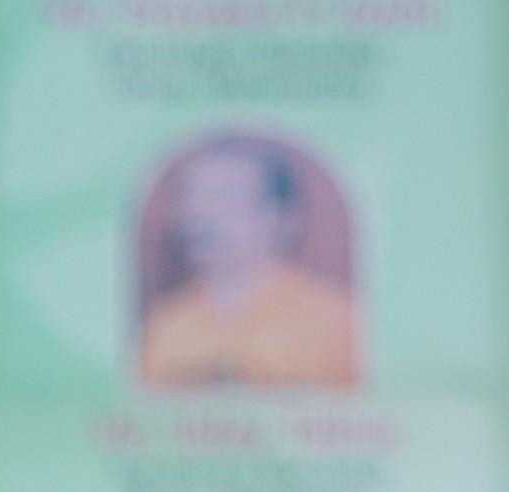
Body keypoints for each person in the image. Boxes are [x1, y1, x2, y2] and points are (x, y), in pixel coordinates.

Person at [135, 133, 362, 390]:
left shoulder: (337, 322)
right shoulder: (165, 328)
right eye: (194, 201)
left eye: (224, 200)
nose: (202, 217)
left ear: (280, 218)